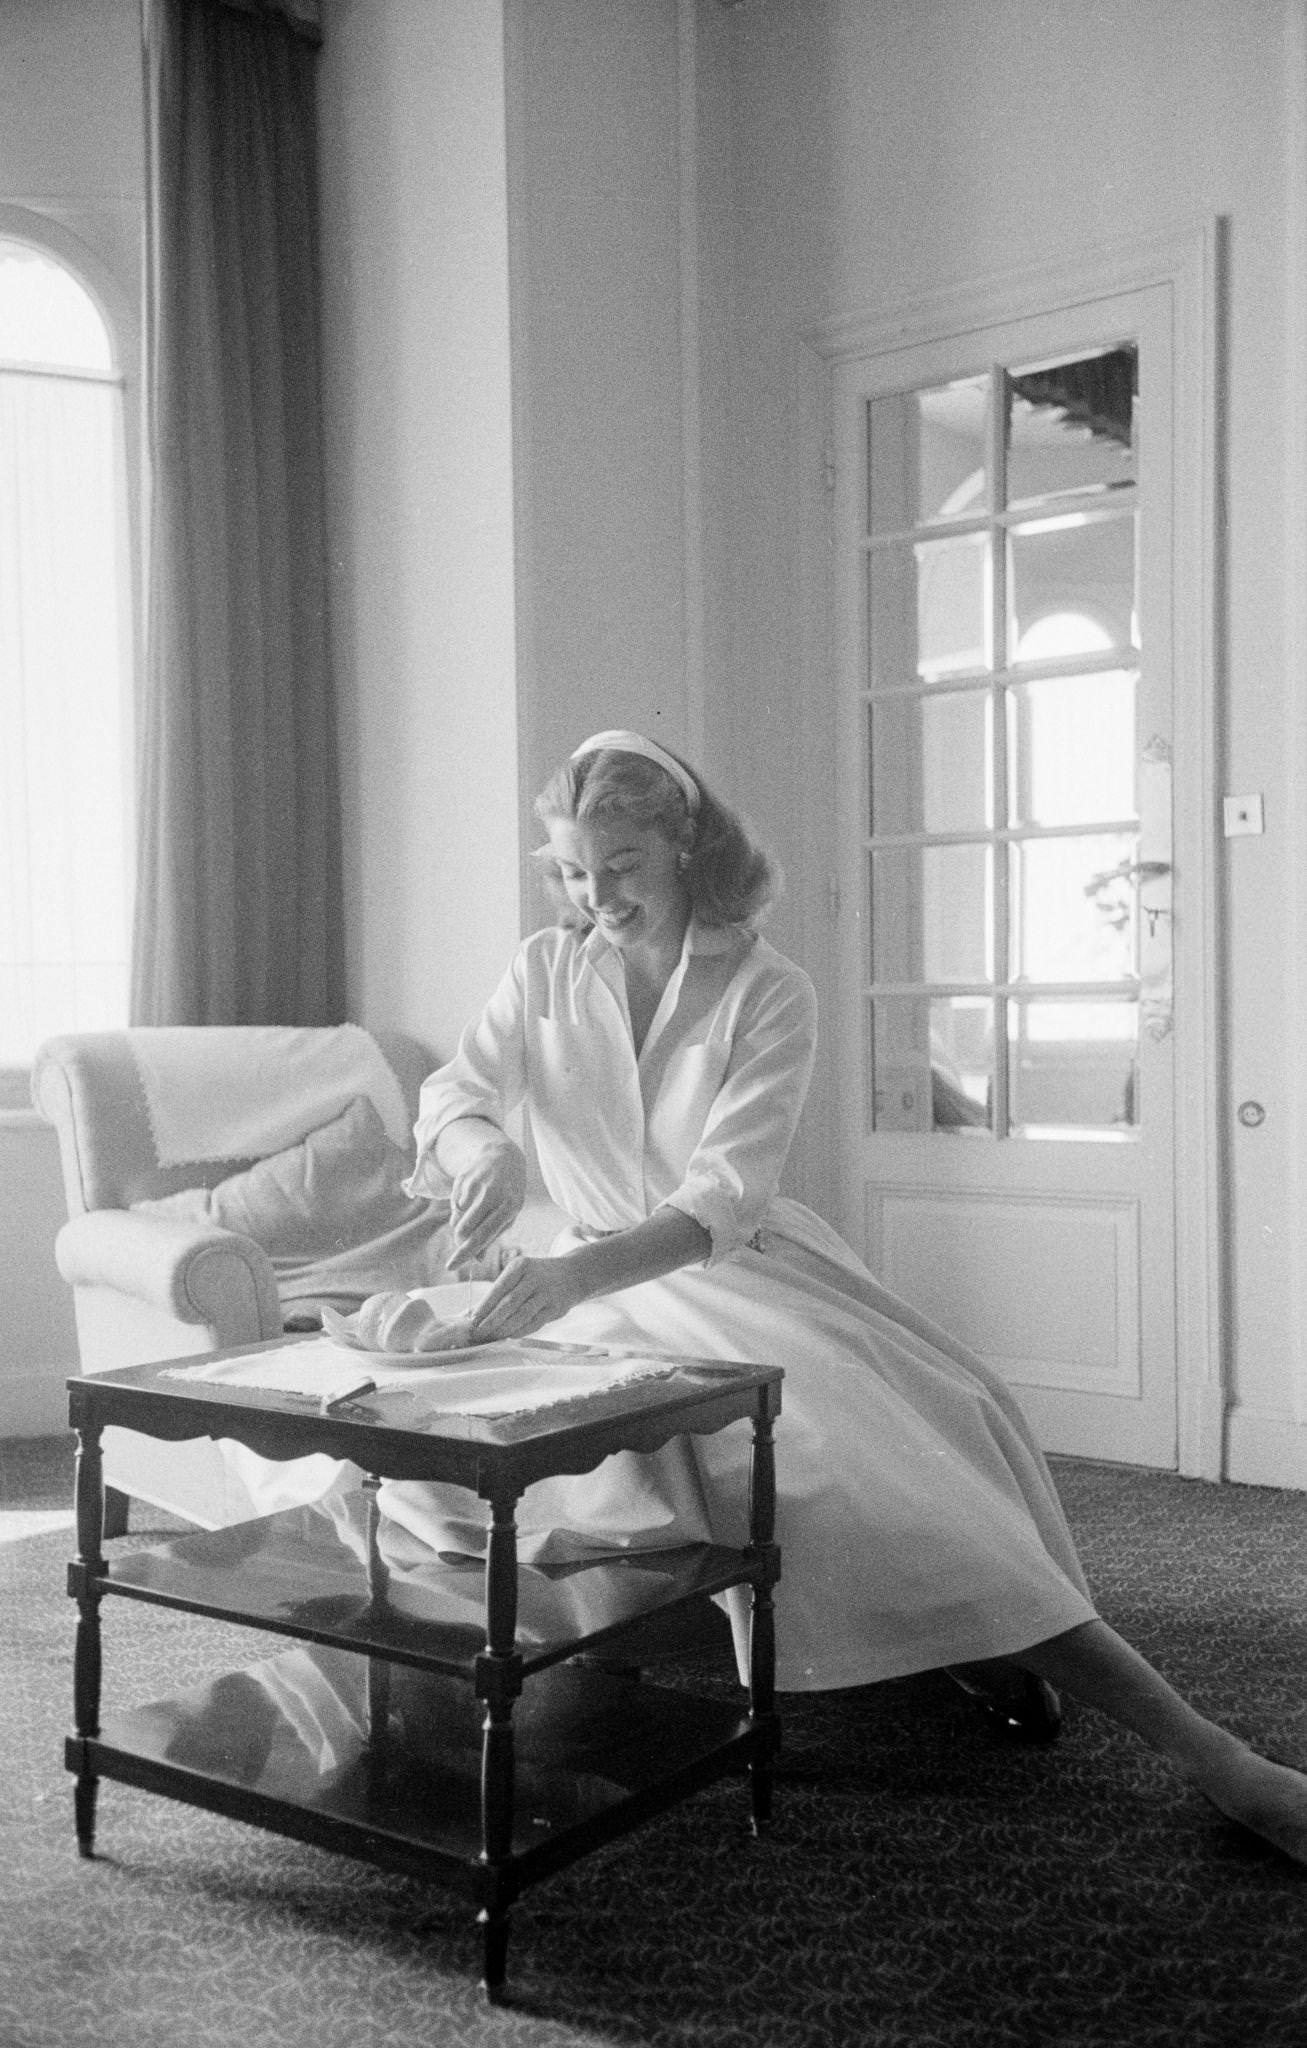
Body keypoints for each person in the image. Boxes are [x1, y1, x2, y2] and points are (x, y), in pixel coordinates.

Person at [388, 727, 1307, 1866]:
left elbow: (723, 1194)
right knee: (408, 1438)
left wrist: (574, 1271)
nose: (595, 896)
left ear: (684, 841)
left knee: (882, 1444)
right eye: (573, 871)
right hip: (573, 1284)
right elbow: (456, 1089)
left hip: (724, 1272)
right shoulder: (542, 966)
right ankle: (949, 1632)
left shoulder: (768, 988)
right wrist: (487, 1156)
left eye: (618, 864)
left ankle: (1212, 1755)